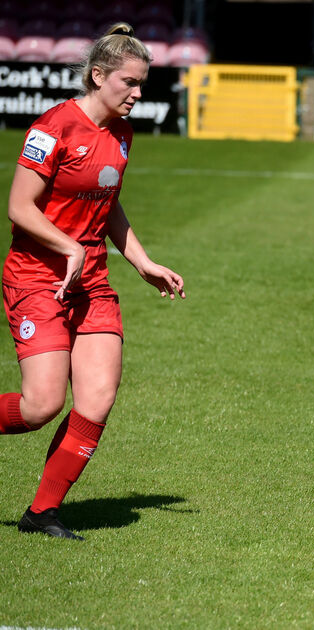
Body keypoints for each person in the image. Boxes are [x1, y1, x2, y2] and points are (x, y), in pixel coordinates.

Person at [0, 23, 185, 540]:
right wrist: (68, 247)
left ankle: (42, 513)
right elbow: (18, 207)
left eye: (142, 83)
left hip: (92, 283)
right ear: (98, 76)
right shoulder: (53, 127)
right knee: (41, 406)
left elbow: (108, 204)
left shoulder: (122, 133)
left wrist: (142, 261)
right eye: (129, 82)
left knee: (97, 399)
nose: (138, 93)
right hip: (37, 278)